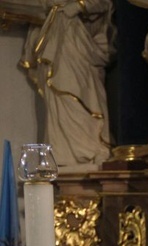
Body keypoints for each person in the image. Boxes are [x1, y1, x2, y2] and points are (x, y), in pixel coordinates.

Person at [20, 0, 114, 167]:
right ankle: (63, 153)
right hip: (54, 32)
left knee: (76, 87)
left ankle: (89, 148)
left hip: (77, 38)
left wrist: (79, 5)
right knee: (56, 95)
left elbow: (103, 2)